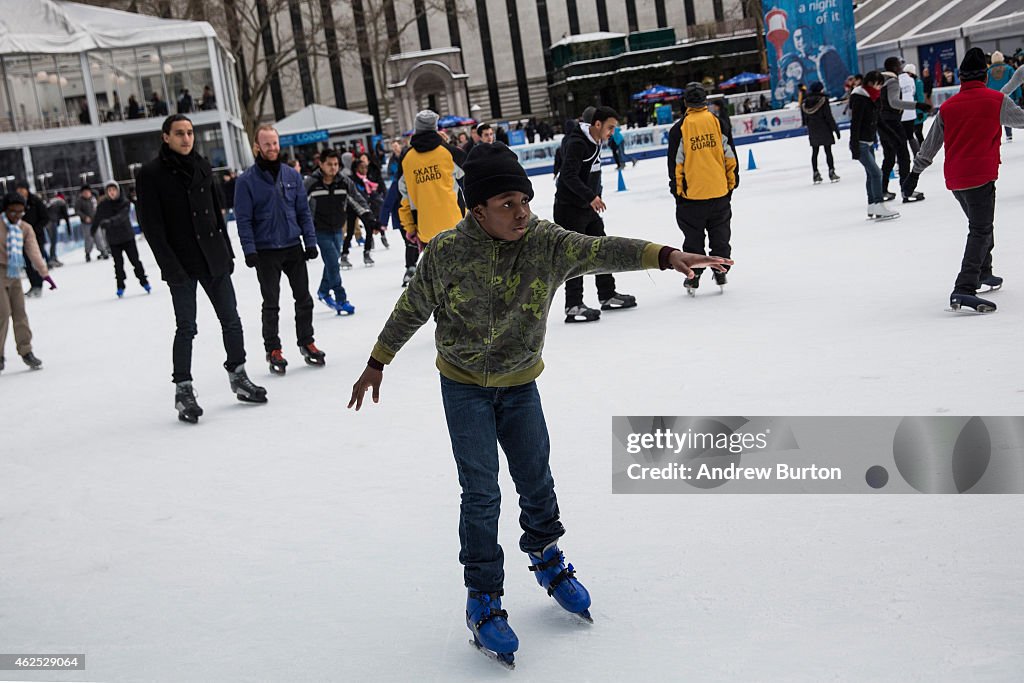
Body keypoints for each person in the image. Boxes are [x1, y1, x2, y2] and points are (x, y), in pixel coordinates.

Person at [347, 142, 731, 666]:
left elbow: (600, 249)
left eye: (524, 199)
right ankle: (483, 596)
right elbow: (411, 306)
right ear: (476, 208)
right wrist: (378, 360)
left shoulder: (544, 242)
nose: (521, 211)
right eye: (506, 202)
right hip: (463, 385)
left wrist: (666, 256)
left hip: (520, 383)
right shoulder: (447, 251)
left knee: (535, 476)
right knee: (481, 493)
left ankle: (546, 555)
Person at [136, 114, 267, 422]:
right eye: (179, 133)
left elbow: (218, 214)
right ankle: (183, 389)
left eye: (190, 133)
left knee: (231, 320)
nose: (186, 138)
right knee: (187, 327)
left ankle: (238, 374)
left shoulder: (202, 165)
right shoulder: (151, 174)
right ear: (166, 137)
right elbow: (152, 227)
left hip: (214, 257)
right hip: (181, 262)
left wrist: (227, 251)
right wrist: (170, 266)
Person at [903, 48, 1024, 313]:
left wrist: (914, 175)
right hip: (981, 176)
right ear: (984, 74)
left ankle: (984, 271)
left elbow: (930, 144)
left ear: (961, 76)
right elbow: (1021, 120)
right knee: (980, 229)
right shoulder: (995, 100)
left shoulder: (948, 107)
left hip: (956, 180)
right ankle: (964, 288)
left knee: (981, 225)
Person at [234, 124, 325, 375]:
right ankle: (273, 348)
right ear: (257, 147)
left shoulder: (291, 175)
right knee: (271, 302)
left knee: (304, 299)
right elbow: (243, 219)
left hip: (292, 245)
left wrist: (310, 241)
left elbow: (303, 212)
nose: (272, 148)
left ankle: (307, 341)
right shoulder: (246, 181)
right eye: (267, 144)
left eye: (275, 143)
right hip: (265, 251)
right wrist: (249, 249)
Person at [553, 106, 637, 322]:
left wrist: (593, 196)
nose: (612, 132)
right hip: (569, 208)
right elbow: (568, 176)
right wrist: (590, 196)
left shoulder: (595, 141)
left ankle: (607, 295)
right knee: (575, 257)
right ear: (597, 124)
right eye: (610, 128)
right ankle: (573, 305)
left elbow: (592, 173)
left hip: (586, 208)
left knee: (602, 248)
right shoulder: (577, 143)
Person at [666, 83, 739, 296]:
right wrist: (730, 185)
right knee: (721, 235)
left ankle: (693, 277)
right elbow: (730, 157)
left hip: (692, 197)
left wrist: (677, 191)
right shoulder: (719, 123)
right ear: (705, 101)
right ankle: (721, 270)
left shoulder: (679, 129)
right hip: (719, 192)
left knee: (693, 239)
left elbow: (675, 165)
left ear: (686, 102)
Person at [396, 110, 467, 284]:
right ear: (435, 128)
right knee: (461, 279)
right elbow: (472, 184)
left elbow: (404, 199)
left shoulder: (407, 159)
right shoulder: (450, 153)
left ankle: (444, 309)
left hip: (426, 230)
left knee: (439, 281)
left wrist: (410, 228)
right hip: (455, 225)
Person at [304, 149, 377, 314]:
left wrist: (368, 215)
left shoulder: (344, 182)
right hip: (319, 230)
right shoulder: (311, 183)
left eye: (335, 164)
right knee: (332, 262)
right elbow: (299, 205)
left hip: (337, 228)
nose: (333, 168)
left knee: (332, 262)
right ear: (321, 164)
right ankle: (341, 298)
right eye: (329, 164)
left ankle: (323, 291)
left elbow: (357, 198)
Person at [0, 193, 56, 373]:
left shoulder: (24, 228)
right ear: (5, 210)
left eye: (20, 212)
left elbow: (33, 251)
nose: (16, 216)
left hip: (14, 272)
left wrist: (44, 274)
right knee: (3, 313)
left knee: (19, 312)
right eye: (12, 212)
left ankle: (26, 351)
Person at [878, 57, 930, 203]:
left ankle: (882, 190)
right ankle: (906, 190)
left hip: (880, 123)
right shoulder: (893, 81)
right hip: (892, 122)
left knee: (889, 156)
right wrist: (917, 105)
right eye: (899, 65)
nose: (901, 68)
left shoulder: (880, 80)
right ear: (894, 67)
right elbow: (895, 103)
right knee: (903, 156)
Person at [849, 71, 898, 221]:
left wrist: (893, 135)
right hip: (861, 143)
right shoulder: (860, 98)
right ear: (871, 83)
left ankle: (872, 205)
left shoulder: (873, 98)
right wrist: (854, 145)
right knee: (877, 173)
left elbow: (878, 121)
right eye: (879, 84)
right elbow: (855, 123)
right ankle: (878, 202)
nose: (880, 87)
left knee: (871, 174)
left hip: (869, 142)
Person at [93, 181, 150, 298]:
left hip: (127, 237)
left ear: (118, 191)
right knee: (118, 265)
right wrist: (92, 231)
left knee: (135, 261)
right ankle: (120, 286)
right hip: (113, 240)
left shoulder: (125, 203)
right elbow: (97, 218)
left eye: (113, 190)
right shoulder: (103, 205)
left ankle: (144, 281)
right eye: (109, 191)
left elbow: (122, 217)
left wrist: (109, 222)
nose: (112, 193)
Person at [15, 180, 50, 298]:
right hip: (21, 238)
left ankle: (38, 285)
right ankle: (33, 284)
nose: (20, 192)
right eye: (18, 190)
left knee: (35, 261)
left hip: (36, 237)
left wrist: (35, 229)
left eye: (22, 189)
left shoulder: (36, 201)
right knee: (27, 263)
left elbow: (45, 217)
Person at [801, 81, 841, 183]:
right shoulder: (823, 100)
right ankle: (832, 172)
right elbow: (828, 116)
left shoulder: (805, 102)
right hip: (824, 128)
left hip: (813, 129)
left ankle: (815, 173)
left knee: (815, 152)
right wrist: (835, 129)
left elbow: (804, 118)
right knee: (828, 151)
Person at [986, 52, 1020, 142]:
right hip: (1007, 97)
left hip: (992, 98)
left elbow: (985, 85)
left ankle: (996, 135)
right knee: (1006, 114)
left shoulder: (989, 72)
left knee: (995, 117)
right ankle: (1009, 135)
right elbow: (1016, 82)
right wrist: (1018, 96)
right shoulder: (1009, 69)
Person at [75, 185, 106, 262]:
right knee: (89, 238)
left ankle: (103, 250)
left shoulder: (94, 198)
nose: (86, 193)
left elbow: (98, 208)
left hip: (95, 221)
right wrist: (84, 217)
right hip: (86, 223)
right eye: (84, 192)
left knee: (99, 237)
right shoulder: (79, 201)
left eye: (88, 192)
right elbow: (77, 211)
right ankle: (88, 253)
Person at [45, 194, 70, 267]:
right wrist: (69, 230)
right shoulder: (62, 203)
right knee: (53, 241)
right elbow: (66, 217)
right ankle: (52, 258)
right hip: (52, 222)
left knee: (52, 241)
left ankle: (54, 258)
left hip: (47, 222)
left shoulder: (52, 201)